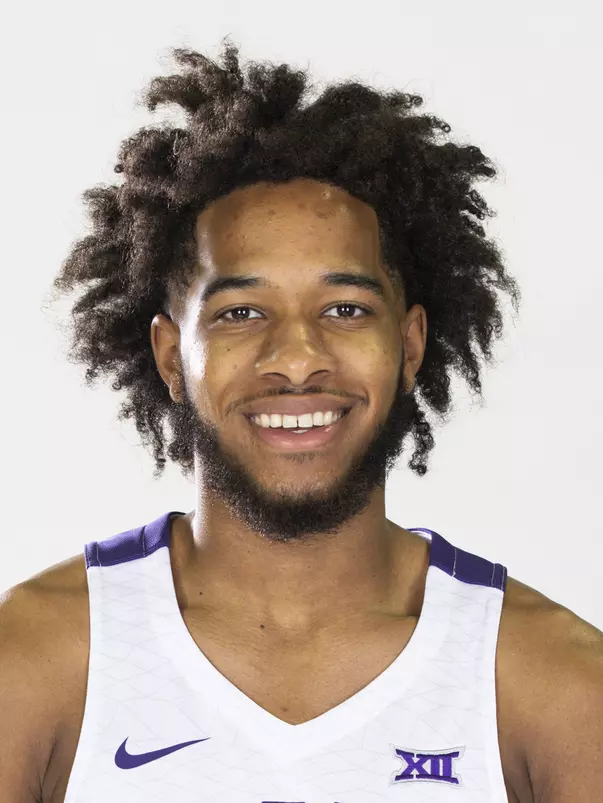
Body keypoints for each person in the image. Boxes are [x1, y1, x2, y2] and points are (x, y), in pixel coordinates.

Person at [1, 39, 601, 803]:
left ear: (410, 344)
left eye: (344, 309)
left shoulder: (552, 685)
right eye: (240, 311)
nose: (295, 358)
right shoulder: (36, 662)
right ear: (169, 355)